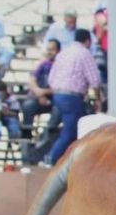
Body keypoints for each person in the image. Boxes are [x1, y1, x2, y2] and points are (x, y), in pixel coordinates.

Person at [46, 28, 101, 165]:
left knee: (67, 129)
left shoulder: (63, 53)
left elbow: (51, 78)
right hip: (72, 97)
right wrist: (99, 98)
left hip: (58, 95)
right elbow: (94, 80)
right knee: (71, 131)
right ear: (87, 41)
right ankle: (52, 158)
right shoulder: (84, 54)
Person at [21, 37, 60, 131]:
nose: (49, 52)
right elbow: (32, 79)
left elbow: (62, 88)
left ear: (58, 51)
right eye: (48, 50)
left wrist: (44, 92)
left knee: (58, 110)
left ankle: (46, 136)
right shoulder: (43, 64)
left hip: (56, 98)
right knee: (28, 106)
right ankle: (27, 137)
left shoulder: (62, 65)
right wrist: (40, 95)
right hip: (39, 97)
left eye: (52, 50)